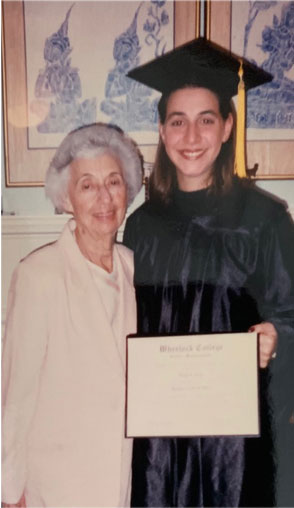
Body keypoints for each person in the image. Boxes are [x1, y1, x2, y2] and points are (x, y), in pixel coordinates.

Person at [123, 38, 294, 507]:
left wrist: (277, 336)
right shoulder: (141, 226)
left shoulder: (265, 220)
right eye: (177, 122)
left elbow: (291, 312)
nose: (191, 137)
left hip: (234, 444)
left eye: (206, 121)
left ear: (227, 128)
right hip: (160, 442)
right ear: (161, 131)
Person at [2, 123, 143, 507]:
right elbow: (16, 397)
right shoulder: (38, 275)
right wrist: (9, 492)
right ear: (66, 198)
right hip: (59, 486)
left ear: (128, 191)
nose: (104, 198)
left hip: (120, 481)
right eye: (87, 185)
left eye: (113, 182)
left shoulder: (134, 268)